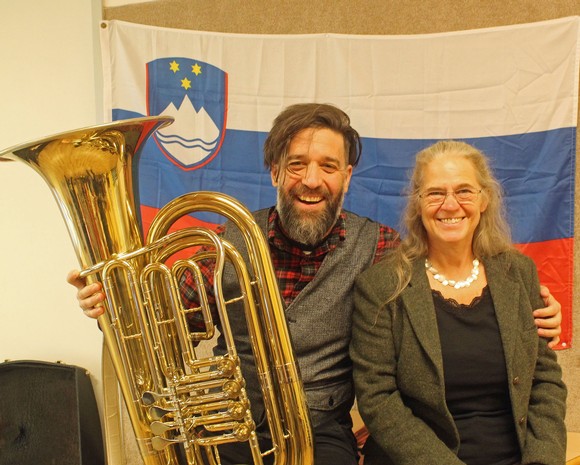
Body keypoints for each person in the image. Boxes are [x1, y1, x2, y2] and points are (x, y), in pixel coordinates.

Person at [67, 105, 563, 465]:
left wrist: (533, 311)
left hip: (322, 429)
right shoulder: (227, 239)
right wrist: (112, 302)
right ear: (276, 171)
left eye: (328, 166)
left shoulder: (382, 248)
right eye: (298, 165)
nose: (312, 179)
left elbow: (448, 301)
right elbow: (167, 323)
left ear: (347, 177)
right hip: (234, 424)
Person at [350, 140, 567, 465]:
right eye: (435, 193)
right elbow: (378, 399)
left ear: (484, 200)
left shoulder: (518, 273)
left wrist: (542, 460)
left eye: (464, 191)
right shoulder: (382, 286)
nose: (450, 205)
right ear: (418, 203)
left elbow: (545, 381)